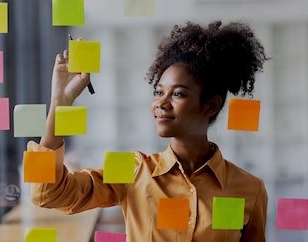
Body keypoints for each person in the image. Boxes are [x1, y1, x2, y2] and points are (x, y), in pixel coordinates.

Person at [29, 20, 268, 242]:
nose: (160, 104)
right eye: (158, 92)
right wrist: (60, 100)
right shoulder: (132, 170)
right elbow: (48, 194)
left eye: (177, 94)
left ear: (210, 104)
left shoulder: (249, 188)